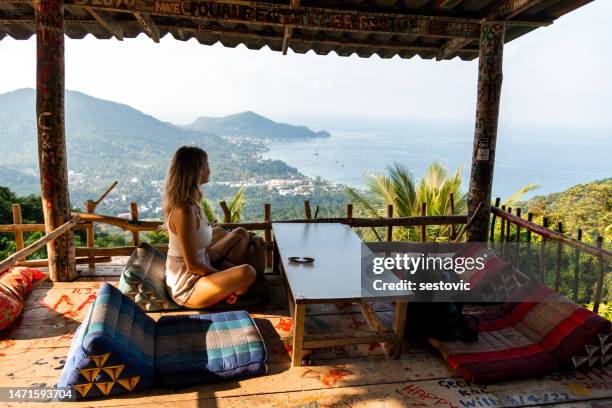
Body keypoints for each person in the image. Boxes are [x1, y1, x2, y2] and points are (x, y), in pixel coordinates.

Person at [162, 146, 256, 308]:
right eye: (205, 165)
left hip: (203, 268)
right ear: (195, 171)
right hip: (188, 285)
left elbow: (203, 251)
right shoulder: (183, 210)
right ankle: (230, 290)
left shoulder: (193, 204)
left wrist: (226, 272)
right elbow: (192, 265)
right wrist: (224, 276)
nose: (209, 170)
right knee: (247, 272)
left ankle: (228, 289)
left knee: (240, 234)